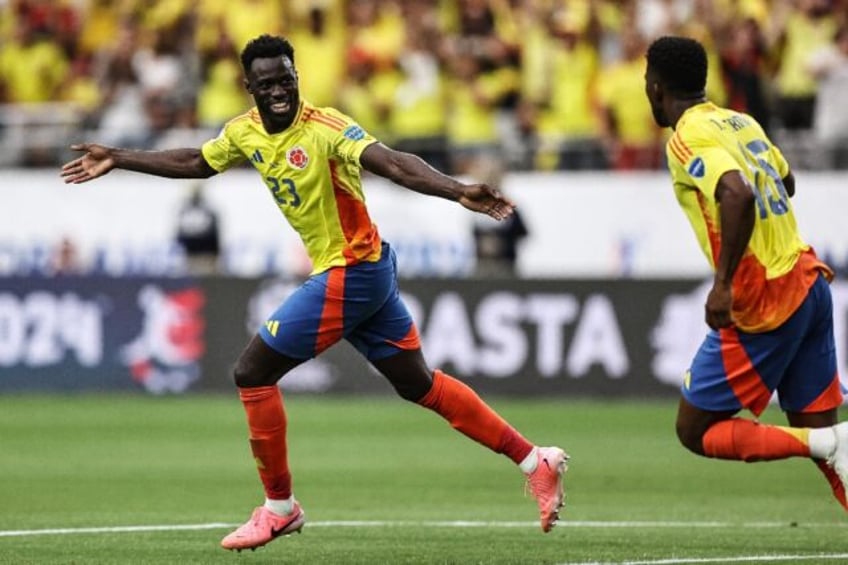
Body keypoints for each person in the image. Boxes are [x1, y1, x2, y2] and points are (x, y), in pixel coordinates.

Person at [60, 34, 567, 551]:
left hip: (354, 270)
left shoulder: (326, 128)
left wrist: (457, 189)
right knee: (419, 385)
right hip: (365, 270)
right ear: (249, 87)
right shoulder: (243, 132)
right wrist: (119, 157)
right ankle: (536, 459)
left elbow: (391, 161)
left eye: (285, 79)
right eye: (266, 84)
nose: (278, 91)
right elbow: (197, 161)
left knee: (252, 372)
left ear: (297, 76)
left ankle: (280, 508)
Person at [644, 35, 848, 511]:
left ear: (655, 87)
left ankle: (827, 443)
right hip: (806, 279)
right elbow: (786, 180)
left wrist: (723, 284)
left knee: (695, 429)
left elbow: (737, 194)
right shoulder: (741, 121)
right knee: (826, 439)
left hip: (764, 299)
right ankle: (828, 443)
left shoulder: (687, 137)